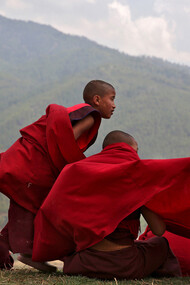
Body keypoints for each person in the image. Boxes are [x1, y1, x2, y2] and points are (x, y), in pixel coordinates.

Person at [32, 130, 189, 277]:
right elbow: (159, 230)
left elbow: (52, 213)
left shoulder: (76, 173)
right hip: (124, 265)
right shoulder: (136, 180)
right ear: (128, 151)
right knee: (160, 243)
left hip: (82, 263)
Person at [0, 79, 116, 270]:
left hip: (29, 158)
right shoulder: (90, 116)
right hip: (36, 165)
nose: (114, 105)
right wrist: (81, 169)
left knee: (28, 206)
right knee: (38, 205)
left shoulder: (82, 112)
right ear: (97, 99)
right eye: (111, 99)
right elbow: (65, 140)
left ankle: (18, 252)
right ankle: (30, 252)